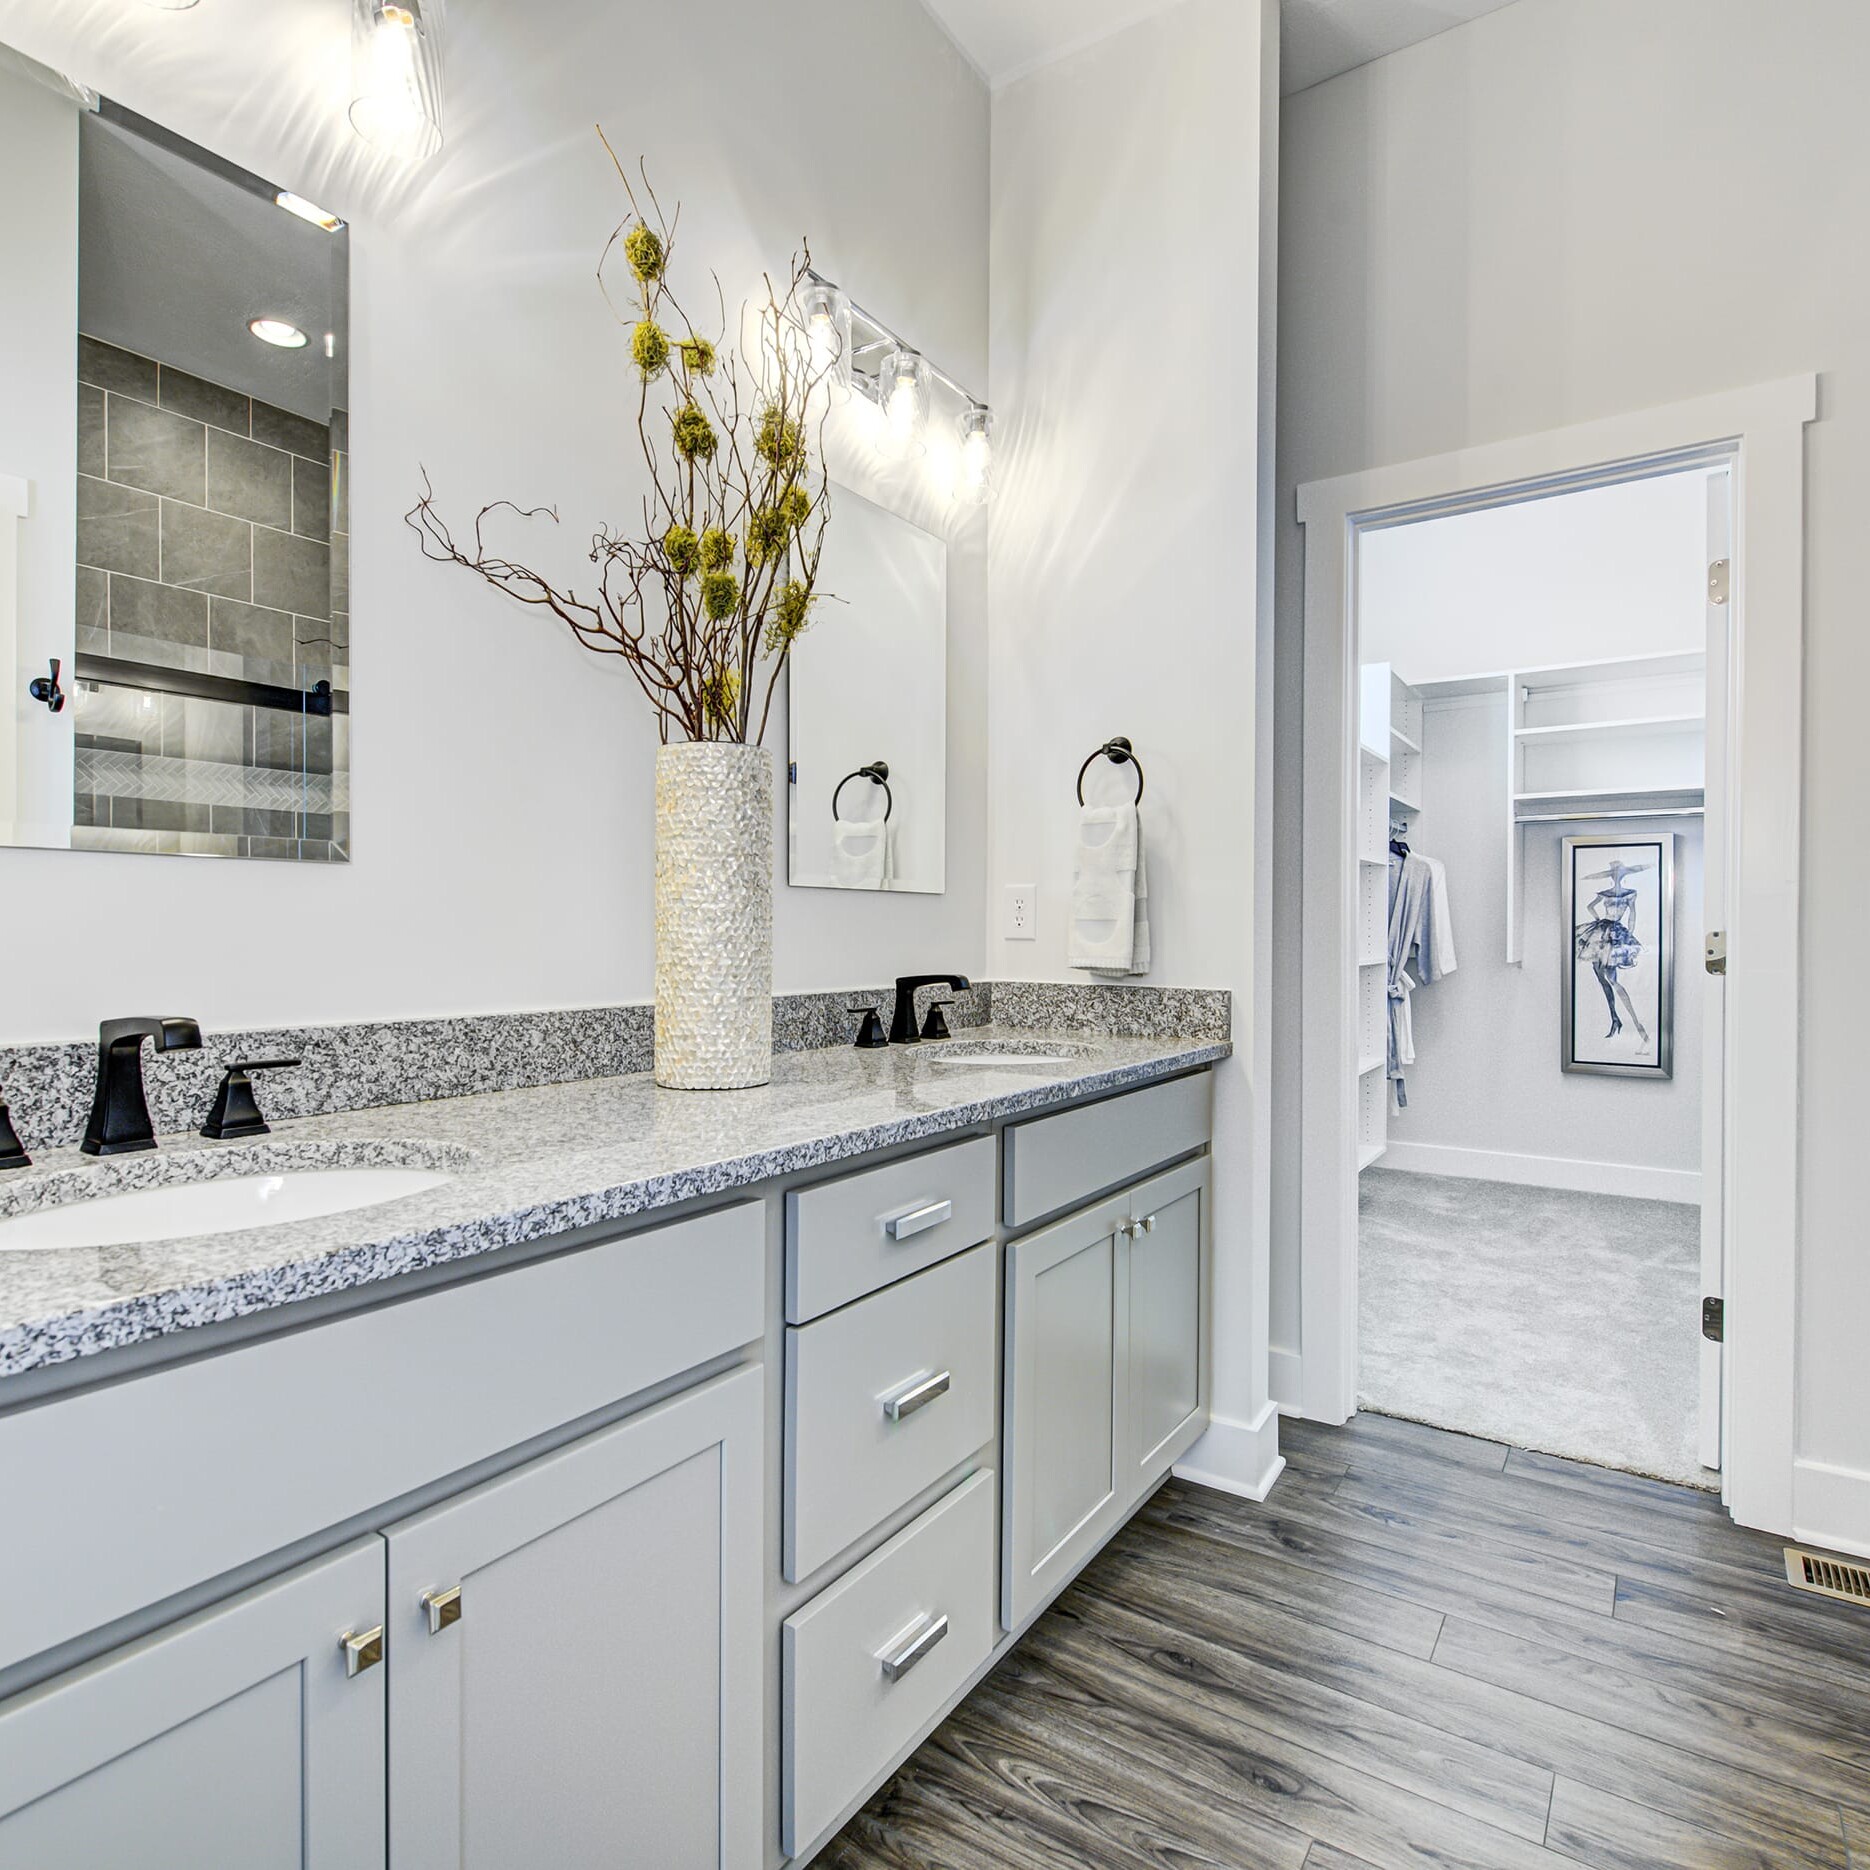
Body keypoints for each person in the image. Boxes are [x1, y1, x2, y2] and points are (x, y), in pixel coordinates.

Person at [1575, 860, 1651, 1054]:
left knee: (1612, 980)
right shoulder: (1606, 893)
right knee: (1602, 978)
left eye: (1619, 873)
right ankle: (1615, 1019)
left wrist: (1628, 937)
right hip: (1602, 931)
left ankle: (1636, 1025)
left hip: (1614, 934)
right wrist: (1596, 919)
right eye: (1613, 873)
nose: (1616, 875)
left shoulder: (1629, 894)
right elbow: (1590, 906)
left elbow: (1632, 916)